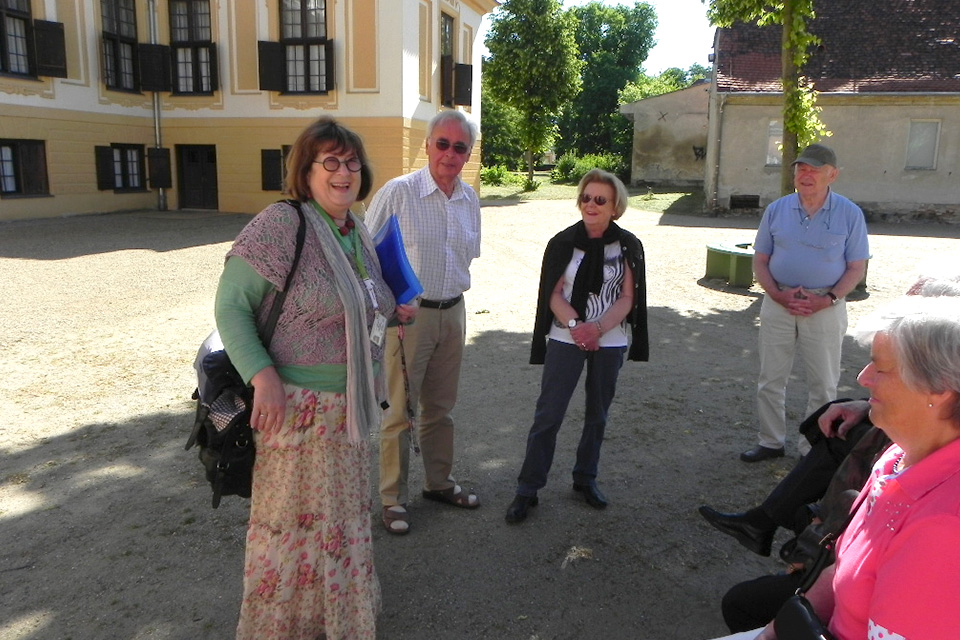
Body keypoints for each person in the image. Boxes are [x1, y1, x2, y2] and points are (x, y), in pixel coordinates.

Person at [215, 117, 415, 639]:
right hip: (294, 412)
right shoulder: (283, 225)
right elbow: (231, 305)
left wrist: (392, 312)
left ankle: (340, 620)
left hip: (348, 412)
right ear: (305, 172)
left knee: (341, 524)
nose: (344, 172)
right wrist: (262, 376)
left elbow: (358, 305)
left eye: (351, 162)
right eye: (330, 162)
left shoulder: (356, 230)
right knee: (290, 530)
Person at [750, 295, 960, 639]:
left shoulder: (945, 525)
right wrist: (775, 631)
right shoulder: (898, 459)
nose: (863, 378)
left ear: (939, 390)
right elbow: (842, 569)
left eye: (880, 367)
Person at [504, 169, 648, 524]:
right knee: (548, 414)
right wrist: (576, 326)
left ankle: (586, 478)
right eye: (586, 197)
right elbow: (551, 293)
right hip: (565, 335)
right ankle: (528, 488)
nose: (591, 205)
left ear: (616, 207)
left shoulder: (628, 244)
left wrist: (597, 328)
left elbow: (629, 297)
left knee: (597, 414)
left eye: (600, 199)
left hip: (610, 338)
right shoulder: (563, 242)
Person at [364, 110, 482, 535]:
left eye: (460, 147)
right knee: (399, 411)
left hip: (454, 312)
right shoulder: (399, 193)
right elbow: (365, 253)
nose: (450, 153)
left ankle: (438, 482)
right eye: (443, 144)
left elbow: (466, 257)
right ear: (428, 145)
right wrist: (391, 302)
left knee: (441, 408)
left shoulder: (470, 200)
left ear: (468, 154)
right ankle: (392, 499)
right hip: (408, 319)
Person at [743, 143, 870, 462]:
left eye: (814, 169)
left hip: (825, 306)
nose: (806, 174)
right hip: (778, 302)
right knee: (771, 378)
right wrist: (777, 294)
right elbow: (760, 259)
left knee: (823, 383)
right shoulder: (777, 209)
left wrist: (826, 299)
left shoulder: (849, 214)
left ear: (833, 175)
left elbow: (857, 267)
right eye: (801, 168)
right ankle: (770, 441)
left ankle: (811, 449)